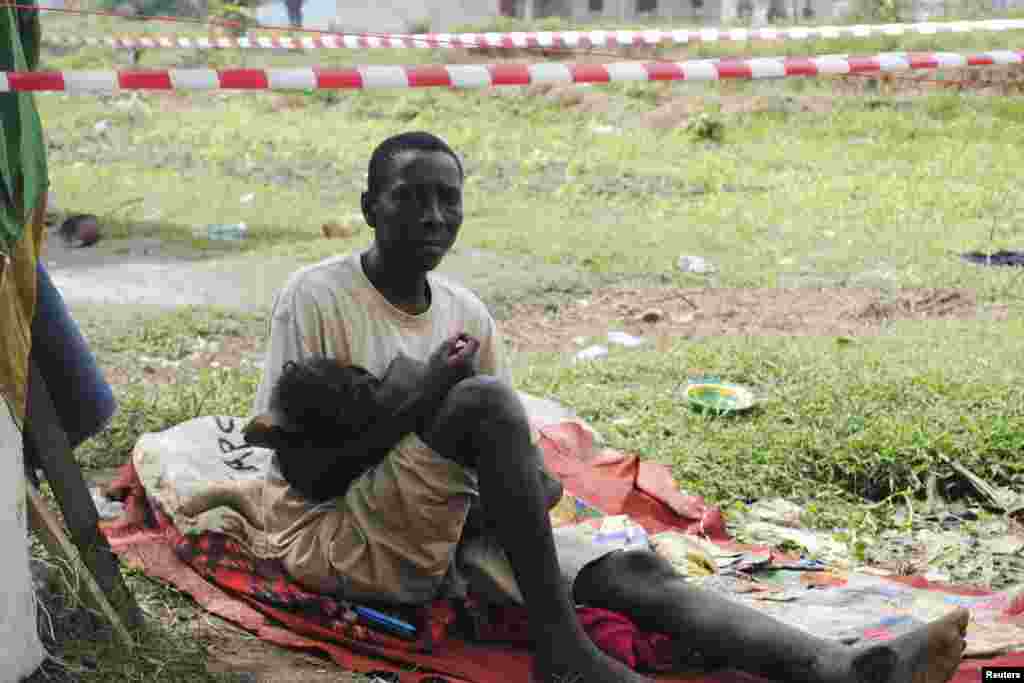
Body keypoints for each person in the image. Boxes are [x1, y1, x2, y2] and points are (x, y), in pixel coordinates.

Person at [251, 131, 970, 682]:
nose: (434, 215)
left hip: (451, 526)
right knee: (486, 402)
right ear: (369, 206)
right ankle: (561, 648)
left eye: (449, 199)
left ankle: (832, 666)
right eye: (411, 196)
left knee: (632, 574)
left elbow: (521, 469)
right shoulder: (316, 298)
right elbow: (308, 479)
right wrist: (422, 403)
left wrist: (523, 485)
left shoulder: (467, 311)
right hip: (344, 534)